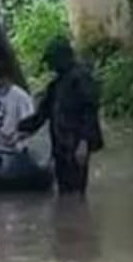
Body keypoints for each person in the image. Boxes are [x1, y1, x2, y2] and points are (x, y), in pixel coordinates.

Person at [18, 38, 103, 196]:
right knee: (65, 191)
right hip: (60, 146)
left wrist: (84, 142)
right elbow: (42, 114)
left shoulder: (82, 78)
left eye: (52, 61)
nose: (50, 66)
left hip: (76, 144)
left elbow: (90, 111)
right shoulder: (56, 85)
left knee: (76, 192)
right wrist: (19, 128)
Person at [0, 63, 35, 152]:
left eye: (0, 85)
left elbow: (29, 125)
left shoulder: (21, 98)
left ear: (8, 79)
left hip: (13, 149)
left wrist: (15, 138)